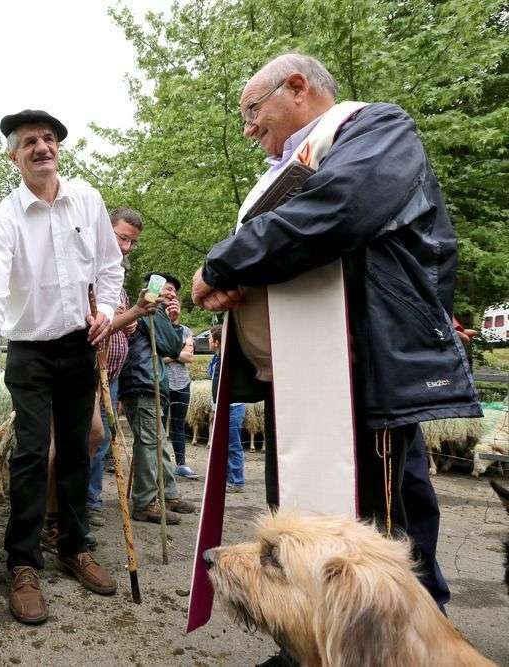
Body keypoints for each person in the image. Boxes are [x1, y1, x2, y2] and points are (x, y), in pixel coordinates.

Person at [190, 53, 479, 612]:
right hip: (297, 382)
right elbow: (284, 245)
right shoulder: (293, 165)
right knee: (302, 519)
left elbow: (339, 209)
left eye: (252, 111)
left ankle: (402, 639)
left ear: (297, 87)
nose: (248, 129)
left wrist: (223, 265)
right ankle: (313, 638)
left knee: (379, 531)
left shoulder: (379, 129)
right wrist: (239, 280)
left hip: (362, 376)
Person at [0, 109, 123, 625]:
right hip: (29, 351)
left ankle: (75, 546)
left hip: (80, 345)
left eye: (49, 138)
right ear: (14, 156)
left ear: (58, 148)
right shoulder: (6, 216)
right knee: (32, 454)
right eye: (30, 141)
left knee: (77, 450)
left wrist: (106, 310)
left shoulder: (87, 200)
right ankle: (23, 563)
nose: (42, 147)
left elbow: (109, 265)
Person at [84, 207, 150, 530]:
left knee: (102, 437)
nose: (126, 247)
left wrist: (130, 321)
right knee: (92, 437)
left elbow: (121, 326)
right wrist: (134, 311)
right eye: (122, 238)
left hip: (111, 374)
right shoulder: (92, 271)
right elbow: (98, 327)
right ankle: (83, 504)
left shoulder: (116, 275)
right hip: (89, 372)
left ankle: (90, 500)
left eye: (132, 242)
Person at [118, 274, 196, 523]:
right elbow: (172, 347)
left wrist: (172, 321)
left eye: (175, 291)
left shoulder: (157, 314)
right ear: (154, 288)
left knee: (159, 443)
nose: (172, 294)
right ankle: (145, 502)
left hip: (149, 383)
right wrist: (169, 323)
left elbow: (169, 345)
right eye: (168, 289)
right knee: (150, 444)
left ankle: (168, 494)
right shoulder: (150, 308)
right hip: (143, 382)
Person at [161, 292, 199, 479]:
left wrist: (170, 353)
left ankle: (181, 464)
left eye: (176, 304)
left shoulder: (186, 330)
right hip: (162, 382)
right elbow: (158, 357)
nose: (173, 307)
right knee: (160, 425)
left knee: (178, 424)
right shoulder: (159, 329)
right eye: (169, 304)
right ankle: (160, 463)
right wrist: (179, 351)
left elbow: (189, 357)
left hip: (182, 383)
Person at [207, 326, 245, 492]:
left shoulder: (229, 359)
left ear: (216, 342)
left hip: (232, 407)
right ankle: (228, 478)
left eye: (210, 338)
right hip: (220, 407)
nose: (208, 341)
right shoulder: (216, 359)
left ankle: (237, 481)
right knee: (223, 444)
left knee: (233, 445)